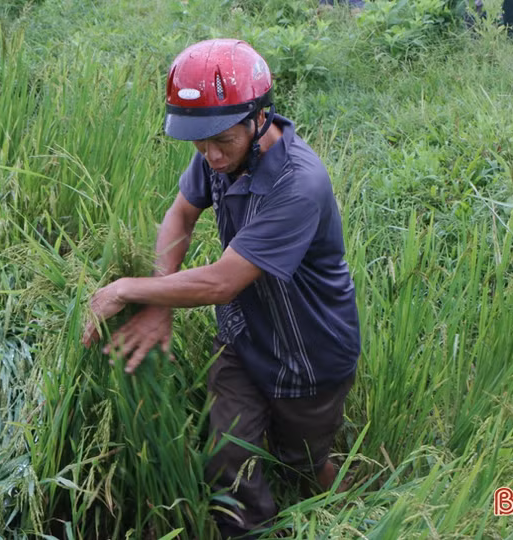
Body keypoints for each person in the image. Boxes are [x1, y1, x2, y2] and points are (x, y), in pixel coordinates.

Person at [82, 39, 360, 539]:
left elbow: (221, 281)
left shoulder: (298, 185)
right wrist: (160, 299)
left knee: (302, 460)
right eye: (199, 143)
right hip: (241, 335)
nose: (209, 156)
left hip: (309, 353)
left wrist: (130, 289)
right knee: (228, 455)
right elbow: (181, 212)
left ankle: (352, 513)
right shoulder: (220, 149)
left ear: (259, 120)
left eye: (221, 142)